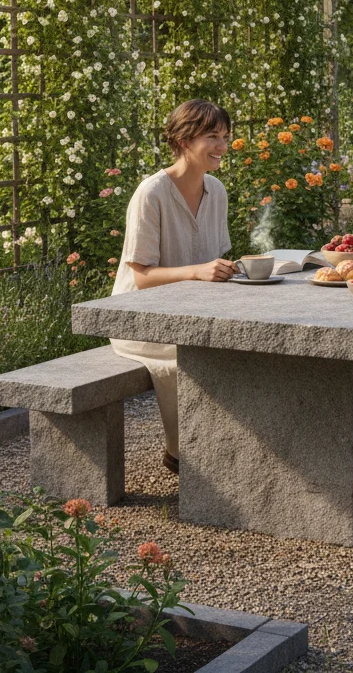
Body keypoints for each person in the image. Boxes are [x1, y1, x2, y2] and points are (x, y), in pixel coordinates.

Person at [110, 99, 239, 472]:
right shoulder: (151, 193)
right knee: (200, 353)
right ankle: (184, 454)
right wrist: (199, 272)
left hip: (190, 312)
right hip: (138, 319)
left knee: (245, 347)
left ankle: (231, 448)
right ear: (184, 140)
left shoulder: (217, 191)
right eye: (212, 136)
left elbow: (210, 262)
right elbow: (142, 277)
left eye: (225, 137)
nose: (222, 146)